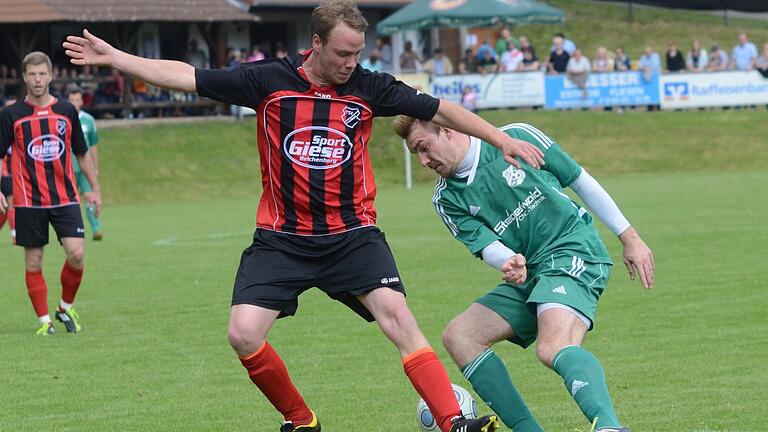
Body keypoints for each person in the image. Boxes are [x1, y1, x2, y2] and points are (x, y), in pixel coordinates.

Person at [63, 1, 545, 430]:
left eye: (357, 53)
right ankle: (301, 419)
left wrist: (500, 139)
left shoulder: (370, 87)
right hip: (282, 239)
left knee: (399, 319)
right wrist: (118, 58)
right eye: (342, 54)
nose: (351, 63)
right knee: (242, 333)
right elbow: (188, 76)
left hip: (352, 235)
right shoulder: (267, 80)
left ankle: (452, 422)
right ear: (316, 43)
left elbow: (444, 109)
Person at [392, 116, 654, 432]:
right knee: (460, 336)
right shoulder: (447, 199)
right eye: (415, 154)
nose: (423, 161)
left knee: (552, 346)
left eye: (424, 148)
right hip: (532, 271)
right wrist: (508, 260)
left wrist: (630, 237)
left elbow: (578, 179)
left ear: (446, 130)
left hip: (573, 248)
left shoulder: (514, 137)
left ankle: (609, 427)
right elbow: (487, 245)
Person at [0, 51, 102, 336]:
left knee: (77, 254)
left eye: (42, 73)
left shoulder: (67, 111)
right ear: (24, 77)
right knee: (34, 260)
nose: (37, 79)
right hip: (29, 201)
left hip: (66, 197)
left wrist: (95, 190)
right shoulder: (11, 115)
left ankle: (64, 307)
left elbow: (82, 154)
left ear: (51, 75)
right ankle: (45, 322)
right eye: (32, 74)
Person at [67, 88, 103, 240]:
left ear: (82, 101)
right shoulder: (63, 118)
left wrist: (95, 166)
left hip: (85, 168)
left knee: (90, 197)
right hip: (68, 167)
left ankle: (96, 229)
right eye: (72, 100)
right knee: (70, 200)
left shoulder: (88, 120)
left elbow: (93, 145)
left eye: (77, 100)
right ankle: (72, 231)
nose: (75, 103)